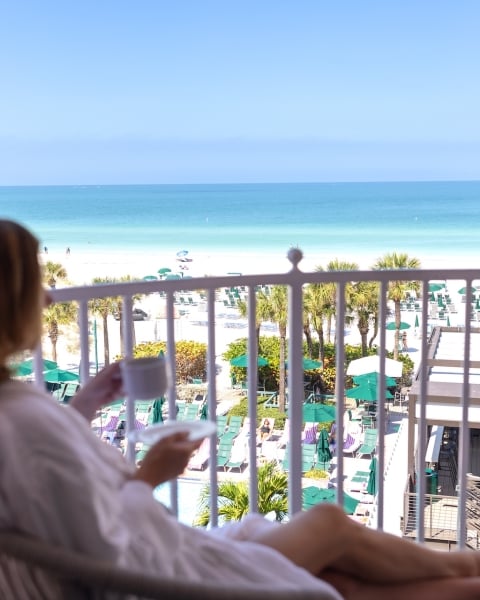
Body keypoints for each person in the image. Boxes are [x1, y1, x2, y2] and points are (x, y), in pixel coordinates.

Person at [1, 219, 480, 600]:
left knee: (340, 556)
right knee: (337, 551)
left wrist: (84, 402)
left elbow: (46, 479)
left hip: (157, 556)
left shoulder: (18, 411)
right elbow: (102, 544)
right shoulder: (25, 420)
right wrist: (153, 474)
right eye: (32, 288)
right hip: (161, 575)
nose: (46, 299)